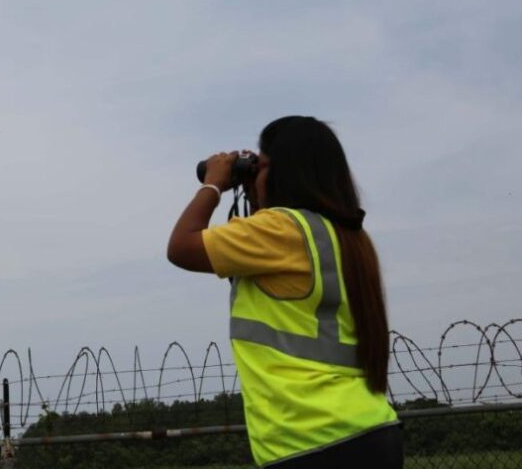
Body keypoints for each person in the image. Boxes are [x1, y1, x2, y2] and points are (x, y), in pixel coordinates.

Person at [167, 116, 402, 468]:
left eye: (260, 165)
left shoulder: (281, 230)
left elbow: (181, 247)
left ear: (283, 173)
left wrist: (214, 184)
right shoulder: (349, 236)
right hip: (372, 431)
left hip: (310, 440)